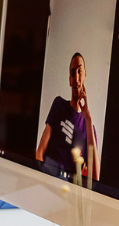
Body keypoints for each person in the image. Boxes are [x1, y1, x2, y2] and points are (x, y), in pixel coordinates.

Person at [34, 52, 100, 181]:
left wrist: (88, 117)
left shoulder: (89, 128)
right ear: (69, 80)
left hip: (67, 189)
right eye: (73, 72)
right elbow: (40, 151)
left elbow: (95, 177)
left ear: (85, 74)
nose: (76, 77)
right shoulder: (59, 105)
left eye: (80, 71)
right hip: (46, 177)